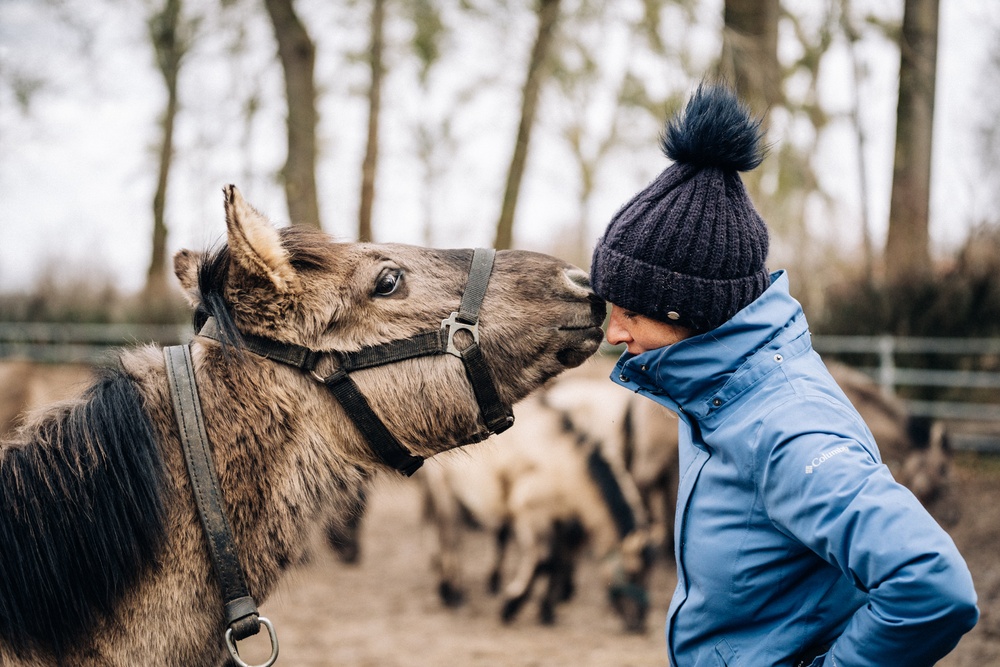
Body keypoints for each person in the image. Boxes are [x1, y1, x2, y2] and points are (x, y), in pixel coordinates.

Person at [589, 82, 979, 667]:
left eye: (631, 312)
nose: (614, 334)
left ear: (690, 313)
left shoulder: (785, 430)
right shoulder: (719, 394)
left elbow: (931, 586)